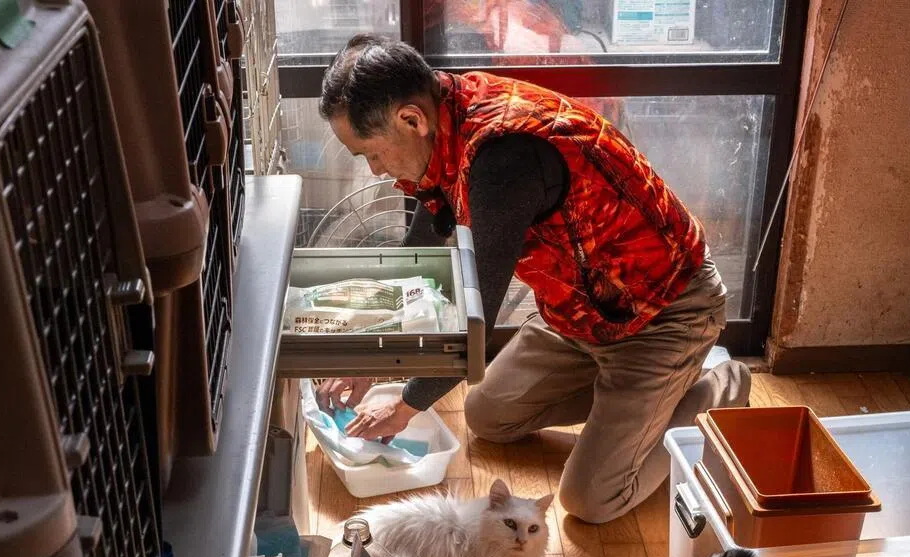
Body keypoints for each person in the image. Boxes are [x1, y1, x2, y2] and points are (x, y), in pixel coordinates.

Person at [316, 34, 751, 524]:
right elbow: (419, 257)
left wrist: (406, 405)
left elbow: (473, 316)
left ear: (410, 119)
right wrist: (368, 355)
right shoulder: (445, 118)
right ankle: (634, 400)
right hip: (582, 313)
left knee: (591, 499)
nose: (374, 170)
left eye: (369, 154)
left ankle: (720, 383)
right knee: (488, 416)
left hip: (662, 315)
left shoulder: (503, 156)